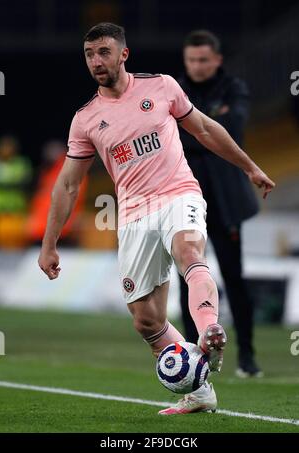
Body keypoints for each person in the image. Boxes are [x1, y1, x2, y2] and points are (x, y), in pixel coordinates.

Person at [38, 23, 275, 415]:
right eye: (89, 54)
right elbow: (67, 186)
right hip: (133, 215)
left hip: (179, 193)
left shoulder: (161, 86)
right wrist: (49, 245)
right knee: (146, 321)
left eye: (104, 52)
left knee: (189, 251)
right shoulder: (85, 119)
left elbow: (203, 129)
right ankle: (199, 392)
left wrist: (249, 168)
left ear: (123, 54)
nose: (96, 61)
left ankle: (208, 332)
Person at [177, 30, 262, 377]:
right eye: (191, 60)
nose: (197, 66)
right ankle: (192, 355)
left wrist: (195, 127)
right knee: (188, 277)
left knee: (233, 278)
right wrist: (211, 122)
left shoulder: (234, 87)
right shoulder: (174, 89)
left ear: (217, 60)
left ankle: (247, 356)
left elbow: (235, 126)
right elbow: (198, 132)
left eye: (203, 60)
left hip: (225, 199)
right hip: (185, 198)